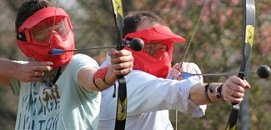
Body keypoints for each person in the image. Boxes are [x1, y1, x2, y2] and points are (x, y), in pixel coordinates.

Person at [98, 11, 250, 130]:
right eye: (152, 48)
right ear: (128, 45)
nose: (162, 55)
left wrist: (187, 74)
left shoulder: (112, 74)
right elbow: (176, 92)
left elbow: (175, 89)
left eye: (164, 48)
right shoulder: (127, 82)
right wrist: (221, 90)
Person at [0, 1, 133, 130]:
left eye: (59, 29)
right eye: (42, 34)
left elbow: (93, 79)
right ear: (24, 41)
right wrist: (17, 70)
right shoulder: (26, 74)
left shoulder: (77, 64)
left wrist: (110, 72)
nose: (55, 39)